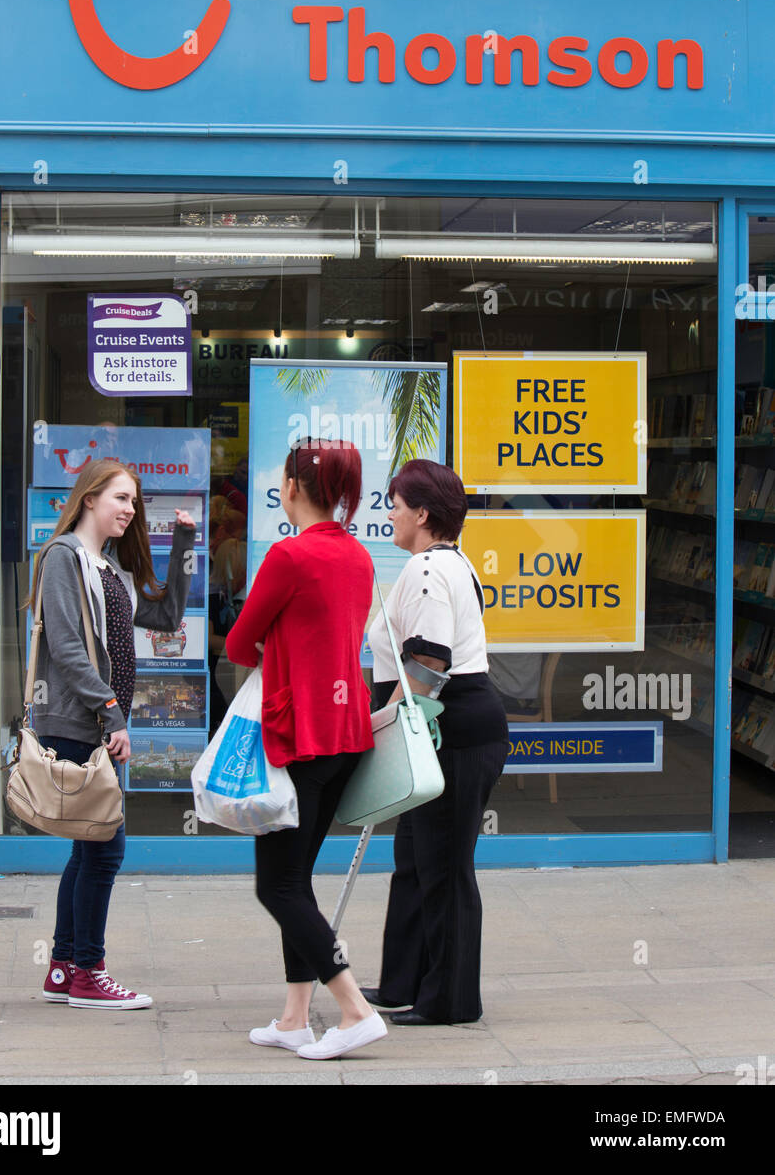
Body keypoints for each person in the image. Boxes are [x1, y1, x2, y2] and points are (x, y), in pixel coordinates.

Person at [225, 438, 388, 1060]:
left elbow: (240, 644)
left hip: (298, 739)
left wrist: (274, 648)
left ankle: (353, 1009)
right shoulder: (358, 556)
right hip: (345, 736)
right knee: (297, 880)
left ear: (292, 486)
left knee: (279, 888)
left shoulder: (287, 557)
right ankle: (295, 1017)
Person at [26, 458, 196, 1010]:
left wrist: (185, 544)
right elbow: (69, 649)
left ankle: (60, 967)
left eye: (134, 501)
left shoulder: (110, 570)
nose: (129, 509)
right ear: (91, 496)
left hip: (101, 727)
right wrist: (112, 715)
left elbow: (168, 617)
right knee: (104, 853)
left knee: (87, 852)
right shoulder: (63, 559)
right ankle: (87, 973)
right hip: (83, 724)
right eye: (121, 498)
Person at [363, 458, 509, 1025]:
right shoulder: (447, 563)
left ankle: (448, 1001)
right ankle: (403, 983)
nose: (390, 514)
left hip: (452, 730)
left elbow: (428, 661)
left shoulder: (427, 569)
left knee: (443, 866)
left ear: (422, 513)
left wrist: (386, 726)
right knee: (414, 860)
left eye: (396, 504)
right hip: (446, 727)